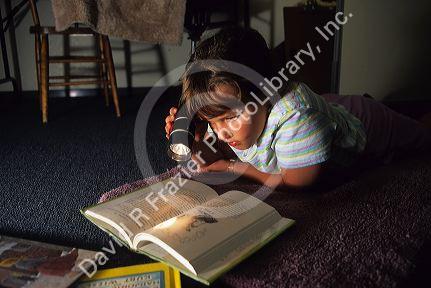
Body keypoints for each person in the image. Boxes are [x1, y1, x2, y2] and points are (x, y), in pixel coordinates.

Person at [164, 26, 431, 190]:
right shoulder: (232, 122)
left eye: (231, 116)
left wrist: (234, 167)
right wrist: (196, 142)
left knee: (420, 136)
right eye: (213, 120)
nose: (222, 132)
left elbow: (298, 181)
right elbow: (213, 151)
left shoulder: (298, 118)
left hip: (367, 124)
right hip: (325, 108)